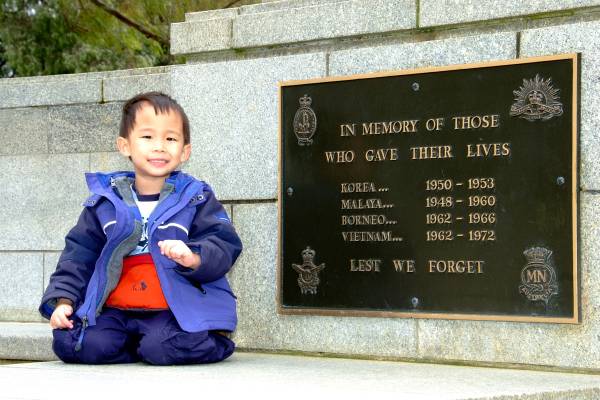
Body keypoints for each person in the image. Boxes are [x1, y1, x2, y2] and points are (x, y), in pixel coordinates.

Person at [39, 92, 242, 365]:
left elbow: (224, 241)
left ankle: (202, 342)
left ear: (185, 151)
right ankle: (135, 346)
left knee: (161, 347)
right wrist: (64, 301)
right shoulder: (104, 203)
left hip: (172, 310)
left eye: (170, 139)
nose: (159, 146)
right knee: (75, 344)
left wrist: (193, 256)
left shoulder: (196, 197)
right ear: (125, 146)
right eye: (147, 137)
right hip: (115, 308)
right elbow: (79, 254)